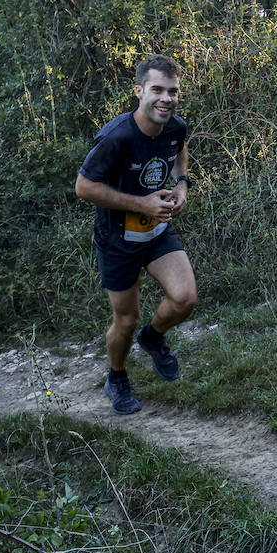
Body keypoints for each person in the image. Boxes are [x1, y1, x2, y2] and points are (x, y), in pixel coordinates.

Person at [75, 55, 196, 415]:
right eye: (157, 90)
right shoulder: (116, 137)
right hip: (118, 240)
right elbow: (83, 187)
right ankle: (117, 376)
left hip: (157, 232)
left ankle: (153, 337)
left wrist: (182, 186)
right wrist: (140, 204)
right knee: (125, 320)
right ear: (139, 91)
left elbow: (180, 152)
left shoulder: (175, 126)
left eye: (173, 92)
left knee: (185, 298)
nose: (166, 99)